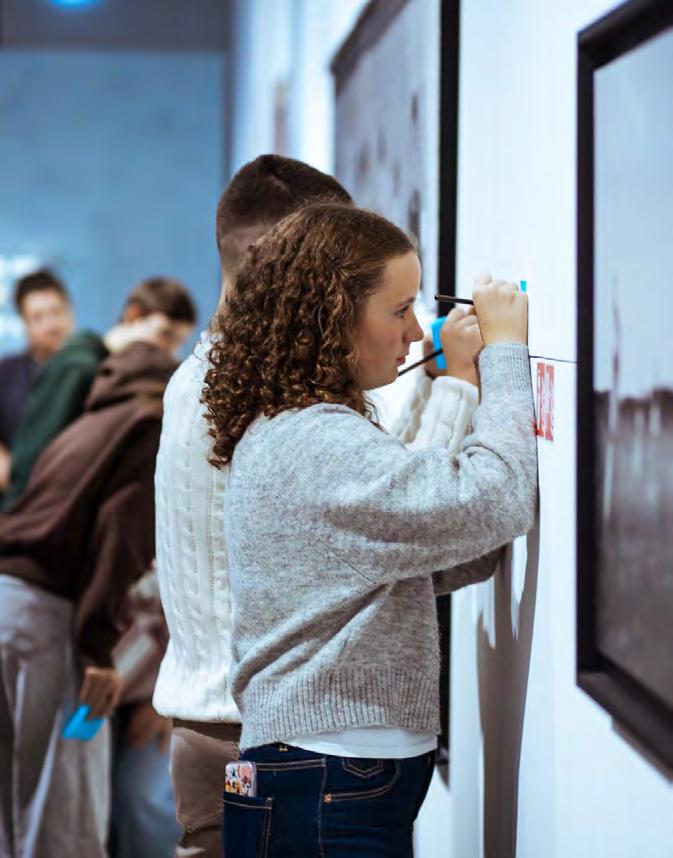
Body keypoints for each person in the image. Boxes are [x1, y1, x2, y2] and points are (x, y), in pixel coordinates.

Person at [202, 202, 538, 857]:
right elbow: (495, 501)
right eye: (400, 309)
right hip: (326, 781)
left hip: (324, 777)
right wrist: (504, 354)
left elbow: (453, 549)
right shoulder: (317, 443)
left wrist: (455, 390)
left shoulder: (301, 429)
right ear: (333, 316)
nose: (414, 331)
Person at [152, 154, 353, 857]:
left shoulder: (192, 379)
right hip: (260, 740)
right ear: (275, 258)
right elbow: (388, 530)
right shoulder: (261, 400)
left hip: (212, 732)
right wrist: (460, 392)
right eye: (329, 266)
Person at [0, 295, 195, 858]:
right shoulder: (148, 423)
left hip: (11, 599)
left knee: (15, 804)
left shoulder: (91, 418)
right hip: (45, 615)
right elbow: (117, 538)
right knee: (61, 811)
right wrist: (96, 652)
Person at [3, 275, 196, 509]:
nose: (170, 351)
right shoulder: (78, 368)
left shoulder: (113, 372)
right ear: (133, 315)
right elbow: (33, 463)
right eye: (166, 335)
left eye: (179, 342)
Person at [0, 269, 74, 496]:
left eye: (57, 312)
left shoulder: (98, 370)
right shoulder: (6, 373)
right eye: (38, 317)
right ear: (24, 322)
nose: (51, 325)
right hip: (21, 502)